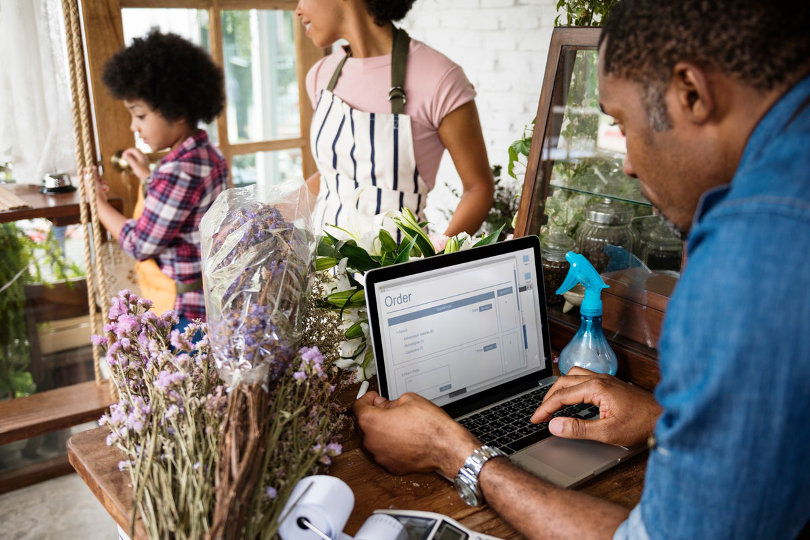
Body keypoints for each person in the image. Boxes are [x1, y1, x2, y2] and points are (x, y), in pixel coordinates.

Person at [353, 0, 810, 537]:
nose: (630, 165)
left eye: (621, 123)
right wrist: (660, 420)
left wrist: (453, 450)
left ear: (691, 92)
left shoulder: (750, 255)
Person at [296, 0, 494, 239]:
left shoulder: (440, 78)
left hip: (401, 268)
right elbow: (338, 175)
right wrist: (263, 214)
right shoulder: (320, 76)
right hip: (323, 266)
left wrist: (434, 258)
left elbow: (478, 188)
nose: (298, 9)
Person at [93, 31, 229, 329]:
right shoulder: (206, 154)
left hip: (183, 311)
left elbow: (140, 243)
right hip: (206, 301)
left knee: (181, 374)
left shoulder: (178, 172)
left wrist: (98, 205)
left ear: (176, 111)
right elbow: (184, 209)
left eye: (140, 116)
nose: (134, 126)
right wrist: (147, 176)